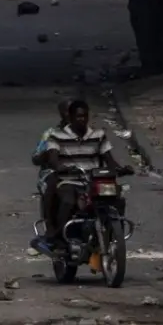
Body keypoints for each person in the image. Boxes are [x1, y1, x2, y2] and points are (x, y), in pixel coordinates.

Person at [32, 100, 129, 255]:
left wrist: (121, 169)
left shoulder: (98, 135)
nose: (82, 119)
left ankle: (114, 234)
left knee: (117, 198)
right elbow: (52, 158)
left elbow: (109, 159)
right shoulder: (55, 135)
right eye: (78, 116)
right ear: (70, 117)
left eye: (84, 116)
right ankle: (59, 239)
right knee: (67, 201)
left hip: (94, 180)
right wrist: (60, 166)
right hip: (70, 179)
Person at [33, 97, 73, 231]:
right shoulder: (51, 134)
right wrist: (47, 154)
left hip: (83, 171)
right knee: (52, 184)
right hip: (56, 172)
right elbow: (36, 159)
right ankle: (50, 227)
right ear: (61, 113)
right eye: (68, 111)